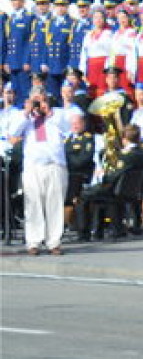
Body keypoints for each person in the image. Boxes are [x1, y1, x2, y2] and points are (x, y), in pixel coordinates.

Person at [12, 90, 69, 254]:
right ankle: (33, 242)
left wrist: (48, 112)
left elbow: (68, 130)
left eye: (41, 99)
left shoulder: (57, 114)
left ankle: (54, 242)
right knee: (32, 204)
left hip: (55, 165)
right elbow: (14, 132)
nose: (39, 103)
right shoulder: (23, 117)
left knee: (55, 204)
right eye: (35, 100)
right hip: (33, 166)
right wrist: (27, 112)